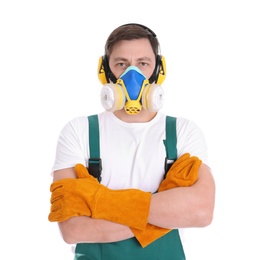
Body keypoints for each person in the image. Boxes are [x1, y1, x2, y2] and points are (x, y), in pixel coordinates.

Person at [48, 23, 215, 260]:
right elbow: (72, 229)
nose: (132, 75)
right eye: (121, 64)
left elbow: (201, 212)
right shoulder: (78, 131)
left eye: (143, 63)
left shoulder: (183, 132)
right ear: (105, 70)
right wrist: (167, 213)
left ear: (158, 70)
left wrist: (99, 201)